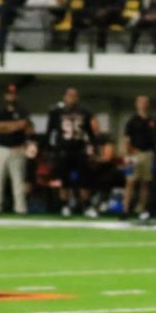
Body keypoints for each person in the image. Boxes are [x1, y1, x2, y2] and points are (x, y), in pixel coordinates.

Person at [46, 86, 99, 217]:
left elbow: (90, 133)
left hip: (79, 150)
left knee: (84, 181)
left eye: (74, 95)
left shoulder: (84, 112)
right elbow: (49, 131)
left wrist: (93, 149)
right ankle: (65, 206)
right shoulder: (57, 112)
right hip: (63, 150)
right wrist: (49, 150)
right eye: (69, 95)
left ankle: (86, 206)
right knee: (65, 181)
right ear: (64, 97)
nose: (72, 98)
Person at [0, 83, 33, 215]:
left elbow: (25, 126)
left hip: (17, 148)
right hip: (0, 148)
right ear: (5, 95)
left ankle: (20, 209)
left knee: (18, 180)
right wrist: (13, 126)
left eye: (13, 94)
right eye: (9, 94)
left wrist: (6, 127)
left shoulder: (22, 110)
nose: (11, 96)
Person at [123, 94, 155, 220]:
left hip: (148, 154)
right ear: (137, 104)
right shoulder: (132, 120)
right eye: (141, 102)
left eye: (145, 102)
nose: (143, 104)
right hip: (134, 154)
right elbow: (126, 139)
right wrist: (128, 154)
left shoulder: (152, 121)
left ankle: (141, 209)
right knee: (130, 181)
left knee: (145, 183)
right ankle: (125, 209)